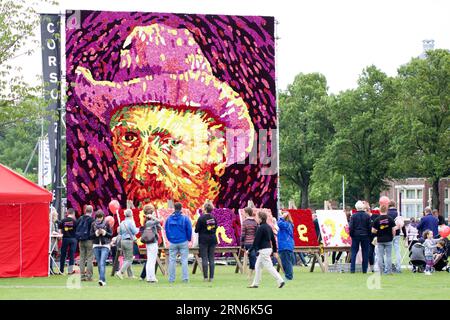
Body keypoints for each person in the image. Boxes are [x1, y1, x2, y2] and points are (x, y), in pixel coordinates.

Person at [73, 23, 255, 210]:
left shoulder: (223, 230)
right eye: (129, 138)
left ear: (217, 148)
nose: (142, 172)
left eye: (170, 142)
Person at [248, 211, 285, 289]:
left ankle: (280, 280)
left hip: (264, 250)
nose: (256, 219)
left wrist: (250, 250)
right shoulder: (268, 227)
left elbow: (256, 241)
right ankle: (255, 283)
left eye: (257, 217)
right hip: (268, 249)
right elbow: (273, 240)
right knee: (257, 266)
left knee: (269, 267)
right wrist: (274, 251)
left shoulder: (261, 228)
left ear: (261, 219)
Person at [165, 202, 192, 283]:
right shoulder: (185, 218)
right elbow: (189, 229)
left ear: (174, 208)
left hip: (173, 242)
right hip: (183, 241)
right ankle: (185, 278)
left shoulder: (169, 219)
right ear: (181, 208)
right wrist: (188, 238)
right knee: (184, 260)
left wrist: (169, 239)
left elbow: (166, 230)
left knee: (172, 260)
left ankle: (171, 279)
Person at [195, 203, 218, 282]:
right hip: (212, 239)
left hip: (203, 240)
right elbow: (216, 228)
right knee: (211, 258)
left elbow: (196, 230)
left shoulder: (201, 218)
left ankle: (205, 277)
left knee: (204, 258)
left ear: (204, 209)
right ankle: (211, 277)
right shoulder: (214, 218)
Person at [372, 205, 397, 275]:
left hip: (380, 240)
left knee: (380, 256)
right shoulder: (390, 219)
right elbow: (394, 229)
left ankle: (380, 271)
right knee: (388, 256)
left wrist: (378, 232)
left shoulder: (377, 219)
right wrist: (393, 236)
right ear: (386, 210)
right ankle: (389, 271)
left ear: (380, 210)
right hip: (389, 239)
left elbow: (373, 230)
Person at [115, 209, 139, 279]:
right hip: (129, 241)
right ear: (131, 215)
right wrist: (138, 229)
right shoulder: (131, 222)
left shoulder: (122, 222)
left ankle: (130, 275)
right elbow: (135, 232)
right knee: (129, 259)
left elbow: (120, 233)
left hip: (123, 241)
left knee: (126, 258)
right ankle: (120, 272)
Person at [91, 210, 112, 286]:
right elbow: (90, 236)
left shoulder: (106, 223)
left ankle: (101, 280)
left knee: (102, 262)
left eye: (100, 217)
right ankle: (103, 280)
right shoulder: (93, 224)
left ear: (103, 217)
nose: (99, 219)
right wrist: (96, 233)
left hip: (105, 246)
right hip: (96, 245)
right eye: (98, 217)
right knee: (99, 264)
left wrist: (104, 233)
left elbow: (110, 234)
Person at [141, 205, 162, 283]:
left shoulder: (146, 221)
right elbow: (160, 220)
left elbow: (159, 226)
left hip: (149, 243)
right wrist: (153, 217)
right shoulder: (150, 221)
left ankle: (149, 277)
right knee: (152, 260)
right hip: (153, 242)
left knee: (149, 260)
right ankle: (152, 277)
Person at [349, 201, 372, 273]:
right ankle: (364, 270)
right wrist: (369, 235)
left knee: (354, 252)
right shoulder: (367, 216)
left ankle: (352, 269)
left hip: (355, 235)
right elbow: (369, 227)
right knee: (365, 253)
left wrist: (351, 235)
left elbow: (351, 227)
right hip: (365, 235)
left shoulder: (353, 216)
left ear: (356, 207)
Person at [76, 205, 94, 281]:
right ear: (92, 211)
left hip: (80, 240)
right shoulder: (92, 220)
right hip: (89, 240)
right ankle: (89, 276)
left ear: (85, 211)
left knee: (82, 258)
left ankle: (82, 276)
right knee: (90, 258)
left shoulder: (80, 218)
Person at [240, 207, 259, 279]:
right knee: (252, 257)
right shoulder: (255, 222)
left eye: (244, 212)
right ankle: (251, 274)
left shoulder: (245, 223)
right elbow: (257, 234)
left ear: (247, 213)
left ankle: (251, 274)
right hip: (254, 243)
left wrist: (241, 245)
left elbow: (243, 235)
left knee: (252, 258)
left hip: (247, 243)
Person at [58, 208, 78, 275]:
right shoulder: (75, 221)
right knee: (72, 255)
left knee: (63, 254)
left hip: (65, 238)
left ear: (67, 213)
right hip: (73, 239)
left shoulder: (63, 221)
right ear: (73, 213)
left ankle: (61, 270)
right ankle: (70, 271)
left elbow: (60, 230)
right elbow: (77, 231)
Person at [277, 211, 295, 280]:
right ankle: (288, 275)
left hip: (285, 245)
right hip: (286, 245)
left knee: (286, 262)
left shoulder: (286, 224)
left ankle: (289, 276)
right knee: (286, 262)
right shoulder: (289, 224)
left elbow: (279, 223)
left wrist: (282, 217)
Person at [387, 200, 402, 273]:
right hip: (397, 233)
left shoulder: (386, 213)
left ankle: (387, 268)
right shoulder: (398, 213)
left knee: (388, 252)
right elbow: (401, 224)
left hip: (388, 234)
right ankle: (398, 267)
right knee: (397, 251)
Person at [50, 208, 62, 274]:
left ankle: (51, 270)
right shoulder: (51, 223)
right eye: (56, 215)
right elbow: (52, 232)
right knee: (51, 256)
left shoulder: (54, 223)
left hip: (54, 242)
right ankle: (50, 270)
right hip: (51, 242)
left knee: (52, 256)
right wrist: (58, 234)